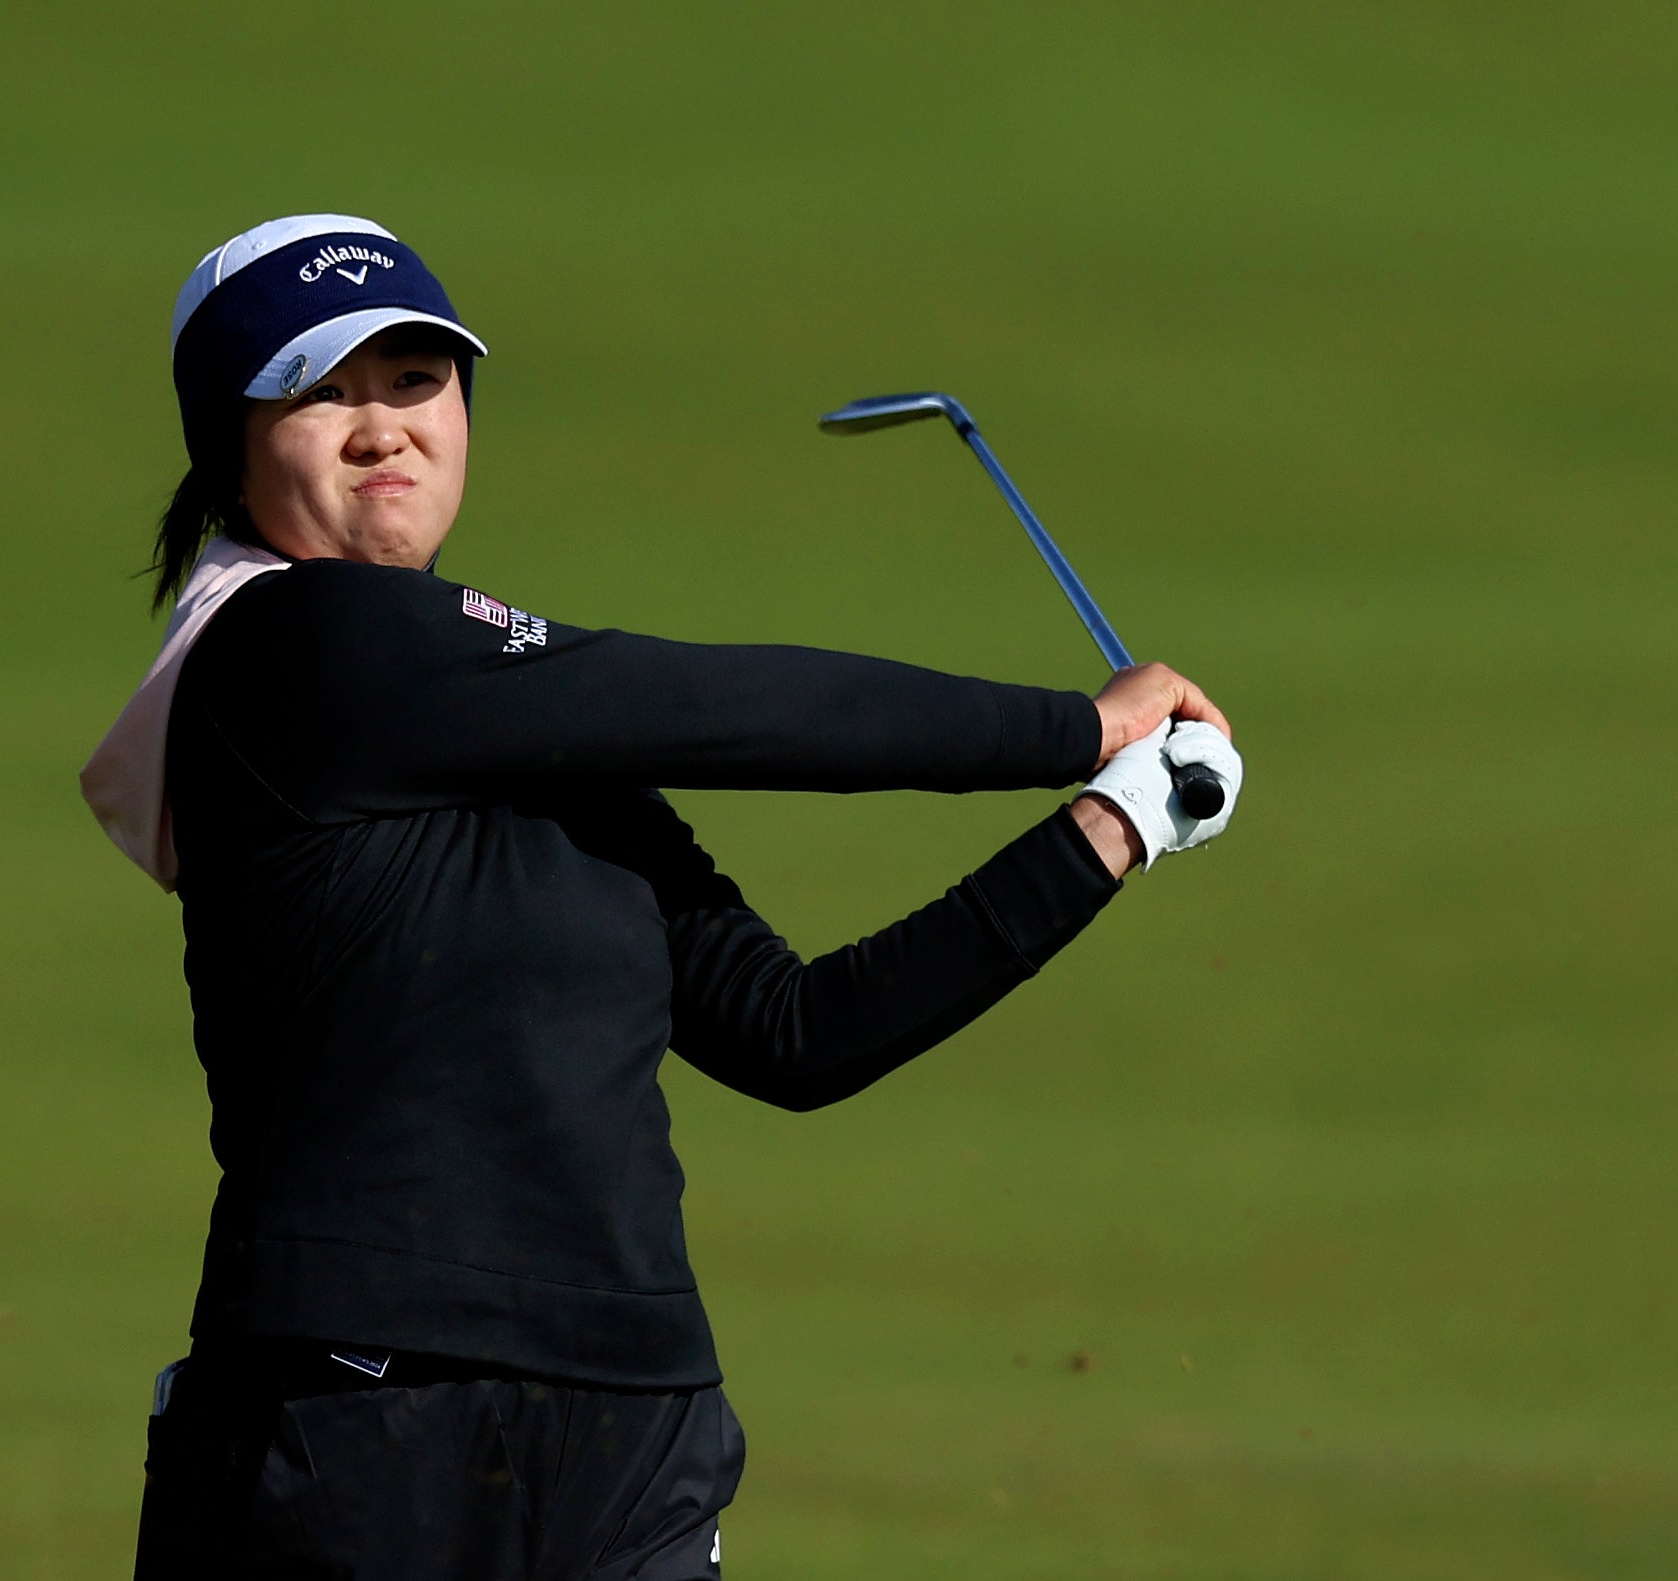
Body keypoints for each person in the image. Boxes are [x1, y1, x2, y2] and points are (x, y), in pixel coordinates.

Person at [81, 214, 1242, 1580]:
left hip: (629, 1430)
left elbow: (796, 1031)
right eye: (320, 390)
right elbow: (725, 708)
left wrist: (1116, 827)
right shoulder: (287, 651)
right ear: (230, 443)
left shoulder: (525, 732)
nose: (382, 425)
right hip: (360, 1419)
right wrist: (1075, 729)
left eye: (415, 380)